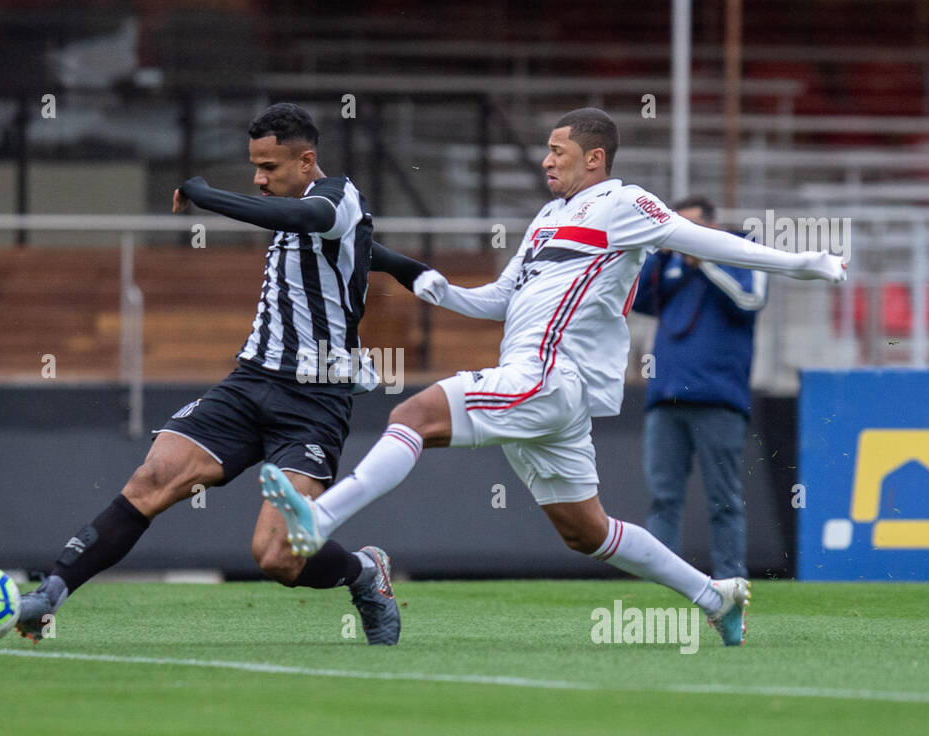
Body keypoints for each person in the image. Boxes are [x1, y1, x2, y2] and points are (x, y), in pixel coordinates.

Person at [257, 107, 846, 646]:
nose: (545, 160)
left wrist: (802, 263)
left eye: (557, 151)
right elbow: (500, 300)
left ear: (594, 158)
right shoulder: (546, 218)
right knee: (586, 531)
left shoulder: (625, 204)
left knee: (413, 415)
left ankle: (322, 517)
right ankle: (714, 596)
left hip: (549, 375)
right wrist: (434, 286)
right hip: (545, 387)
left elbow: (709, 242)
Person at [16, 102, 433, 646]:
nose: (259, 179)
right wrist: (407, 268)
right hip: (250, 381)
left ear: (307, 161)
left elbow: (309, 222)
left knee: (277, 556)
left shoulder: (335, 198)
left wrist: (205, 196)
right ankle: (51, 593)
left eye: (270, 168)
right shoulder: (308, 210)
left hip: (314, 400)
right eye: (254, 166)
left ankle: (363, 573)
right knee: (151, 480)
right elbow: (354, 247)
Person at [630, 197, 765, 581]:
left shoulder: (742, 252)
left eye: (690, 228)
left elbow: (750, 299)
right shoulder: (669, 265)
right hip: (665, 398)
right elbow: (635, 299)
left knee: (724, 498)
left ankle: (730, 579)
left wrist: (704, 260)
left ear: (712, 226)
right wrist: (658, 252)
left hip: (719, 399)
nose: (683, 236)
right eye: (676, 228)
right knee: (663, 498)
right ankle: (661, 579)